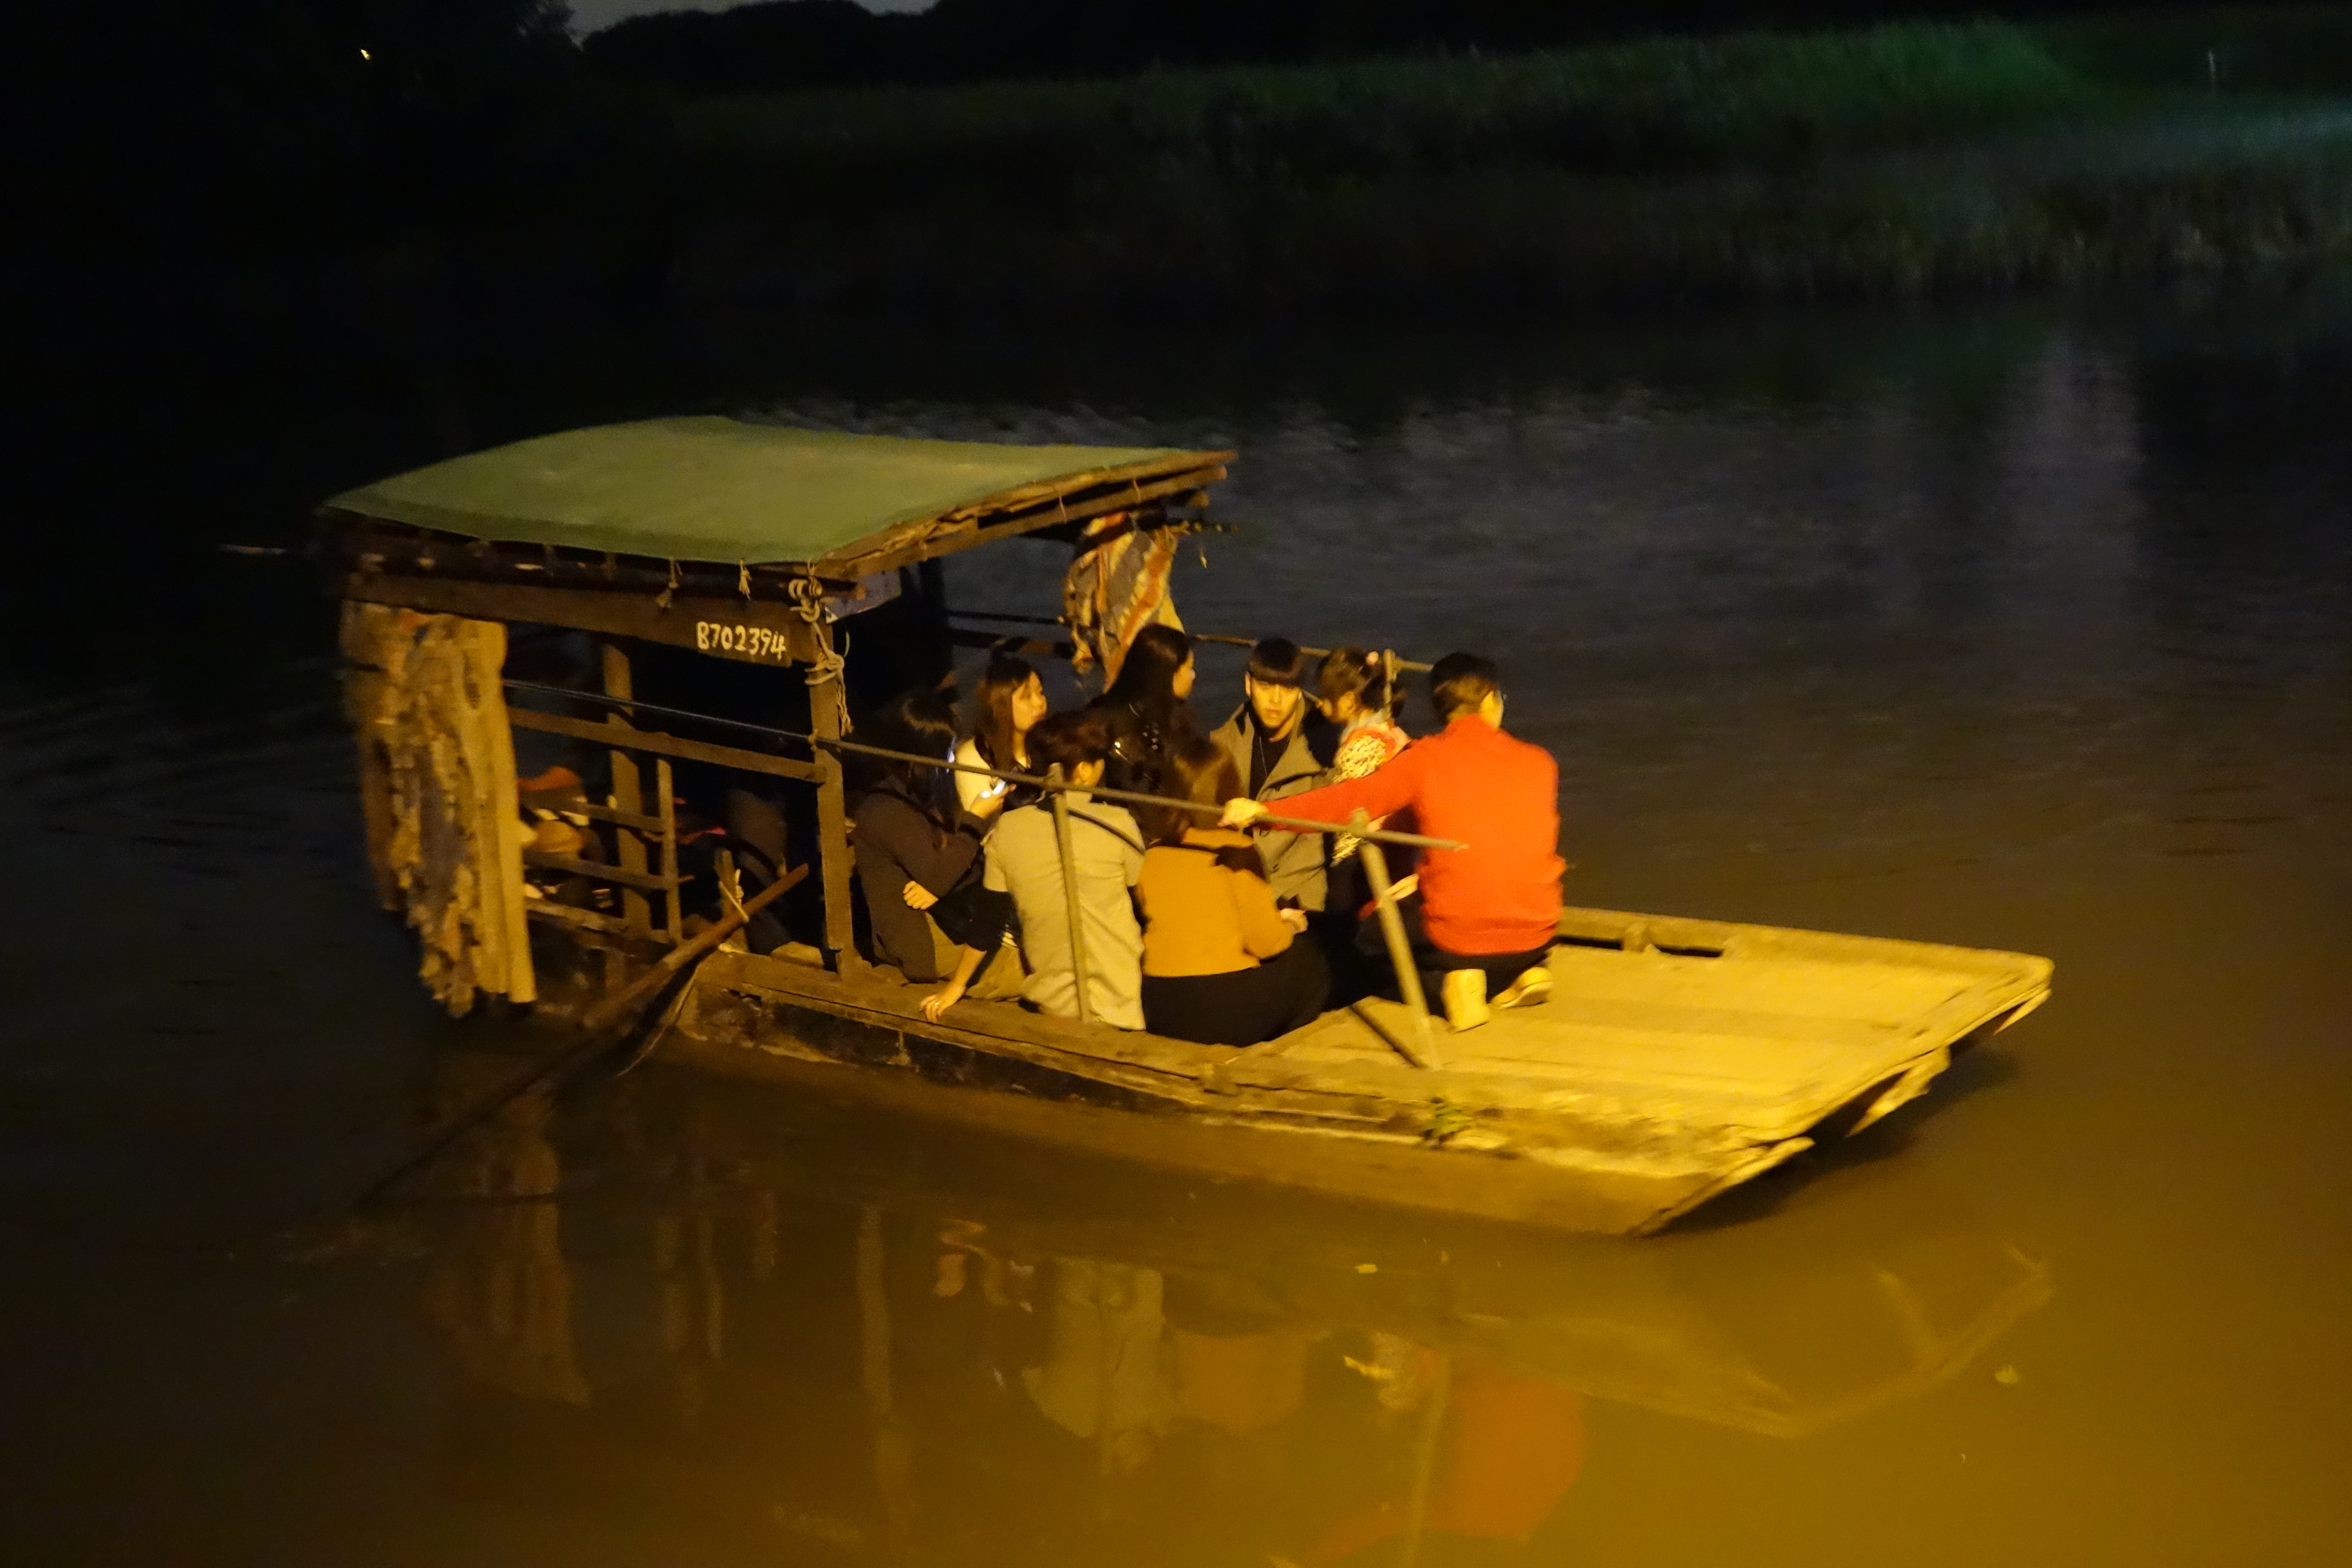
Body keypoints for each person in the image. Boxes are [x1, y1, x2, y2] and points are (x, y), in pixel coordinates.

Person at [1222, 653, 1562, 1029]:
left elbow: (1349, 801)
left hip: (1461, 939)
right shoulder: (1541, 762)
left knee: (1364, 945)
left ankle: (1447, 988)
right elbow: (1507, 838)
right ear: (1489, 701)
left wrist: (1266, 812)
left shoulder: (1425, 759)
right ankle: (1523, 973)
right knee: (1478, 911)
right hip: (1538, 935)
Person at [943, 710, 1148, 1028]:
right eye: (1099, 760)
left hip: (1053, 1001)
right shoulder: (1118, 823)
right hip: (1123, 1000)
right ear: (1083, 771)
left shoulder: (1008, 828)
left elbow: (988, 920)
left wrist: (956, 986)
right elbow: (1145, 902)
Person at [1134, 736, 1330, 1046]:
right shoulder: (1237, 849)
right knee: (1309, 960)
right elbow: (1266, 944)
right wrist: (1291, 925)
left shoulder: (1153, 853)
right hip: (1223, 1006)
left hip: (1162, 1004)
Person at [849, 690, 1012, 985]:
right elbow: (942, 872)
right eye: (947, 752)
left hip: (955, 922)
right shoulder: (887, 809)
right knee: (1031, 971)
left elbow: (963, 870)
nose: (953, 760)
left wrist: (940, 886)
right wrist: (976, 818)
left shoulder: (928, 794)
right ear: (923, 757)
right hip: (928, 946)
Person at [1209, 637, 1329, 915]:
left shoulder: (1325, 744)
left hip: (1303, 896)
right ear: (1248, 685)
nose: (1276, 700)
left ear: (1299, 691)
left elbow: (1328, 840)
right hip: (1239, 887)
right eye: (1265, 687)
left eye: (1287, 688)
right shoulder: (1223, 743)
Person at [1089, 622, 1200, 796]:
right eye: (1189, 668)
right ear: (1169, 675)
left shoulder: (1099, 711)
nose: (1194, 675)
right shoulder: (1111, 728)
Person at [954, 653, 1049, 814]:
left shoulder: (1045, 742)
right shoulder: (974, 758)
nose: (1040, 703)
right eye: (1027, 697)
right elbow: (981, 821)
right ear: (1000, 703)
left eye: (1040, 692)